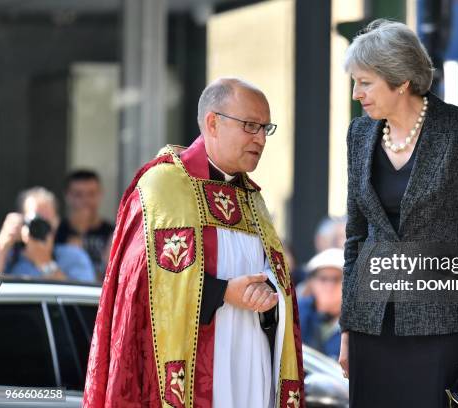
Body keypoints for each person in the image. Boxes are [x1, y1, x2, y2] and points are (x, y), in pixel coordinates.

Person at [83, 78, 304, 408]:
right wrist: (223, 293)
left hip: (252, 363)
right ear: (213, 122)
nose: (260, 138)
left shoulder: (253, 201)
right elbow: (138, 290)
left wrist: (269, 295)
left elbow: (279, 285)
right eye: (249, 125)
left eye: (264, 128)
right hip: (192, 369)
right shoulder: (162, 188)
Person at [338, 19, 458, 407]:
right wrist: (348, 327)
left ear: (400, 81)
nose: (356, 93)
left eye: (365, 82)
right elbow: (356, 236)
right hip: (372, 326)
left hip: (444, 325)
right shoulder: (359, 134)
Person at [0, 187, 95, 283]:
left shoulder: (74, 257)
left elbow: (81, 295)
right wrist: (2, 249)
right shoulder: (9, 257)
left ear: (56, 223)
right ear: (21, 222)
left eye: (47, 221)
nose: (41, 227)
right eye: (35, 221)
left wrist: (45, 263)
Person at [56, 169, 115, 281]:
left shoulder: (113, 232)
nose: (86, 200)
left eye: (91, 194)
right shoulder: (57, 232)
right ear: (67, 196)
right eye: (78, 195)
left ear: (100, 194)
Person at [298, 248, 344, 359]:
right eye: (323, 279)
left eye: (337, 279)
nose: (329, 286)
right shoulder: (297, 312)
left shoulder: (360, 321)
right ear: (311, 282)